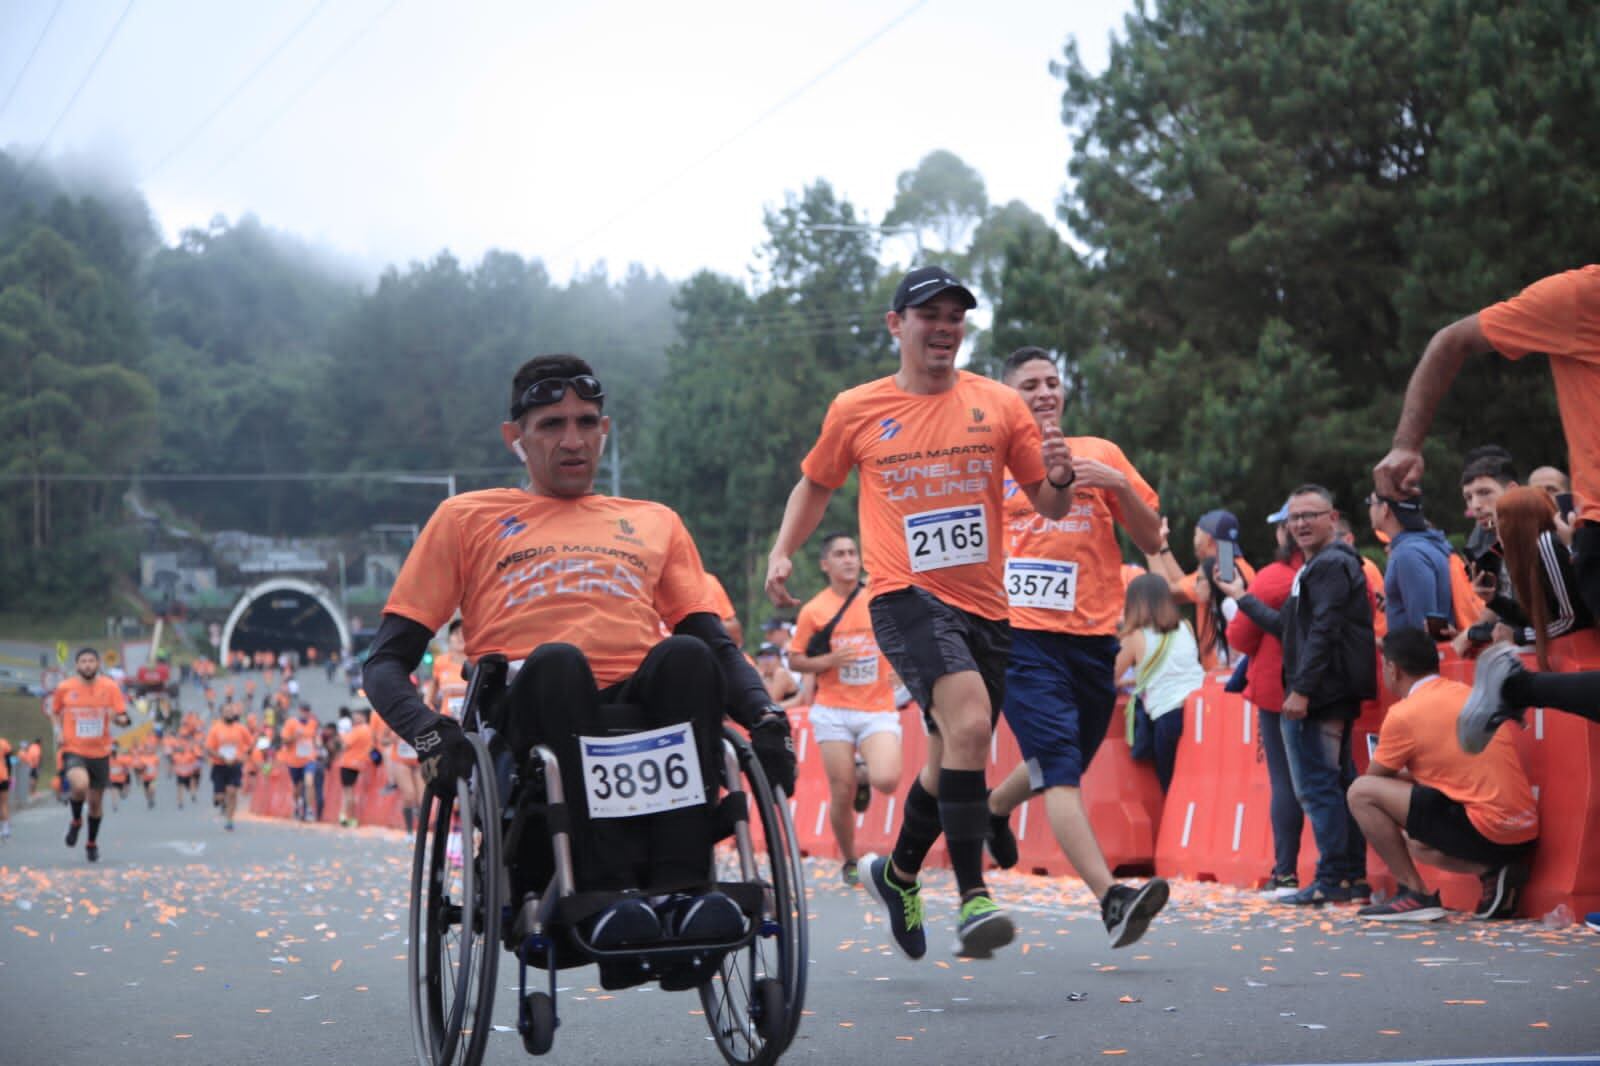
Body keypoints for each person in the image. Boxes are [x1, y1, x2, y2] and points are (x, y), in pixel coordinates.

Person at [364, 353, 795, 954]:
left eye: (587, 422)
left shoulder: (654, 521)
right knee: (559, 661)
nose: (573, 440)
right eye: (551, 425)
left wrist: (767, 718)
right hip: (532, 704)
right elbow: (384, 662)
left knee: (688, 657)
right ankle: (600, 893)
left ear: (605, 430)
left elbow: (716, 643)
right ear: (516, 438)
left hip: (642, 704)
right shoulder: (466, 518)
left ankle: (681, 888)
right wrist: (429, 732)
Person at [764, 267, 1075, 961]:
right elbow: (815, 486)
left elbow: (1049, 504)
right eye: (927, 314)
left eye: (955, 316)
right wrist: (784, 551)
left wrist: (1059, 476)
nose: (943, 327)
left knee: (950, 756)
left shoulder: (999, 405)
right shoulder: (857, 409)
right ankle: (972, 896)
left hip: (987, 610)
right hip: (905, 595)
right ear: (895, 324)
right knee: (967, 724)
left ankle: (897, 873)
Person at [981, 347, 1172, 949]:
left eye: (1052, 382)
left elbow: (1150, 539)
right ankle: (1112, 897)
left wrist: (1117, 485)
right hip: (1021, 636)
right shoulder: (990, 464)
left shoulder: (1101, 454)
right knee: (1061, 765)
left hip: (1092, 637)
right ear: (1009, 398)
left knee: (1067, 757)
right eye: (1029, 385)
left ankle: (993, 808)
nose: (1044, 393)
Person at [1374, 266, 1600, 746]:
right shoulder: (1583, 295)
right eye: (1470, 497)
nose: (1477, 506)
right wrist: (1406, 444)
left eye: (1483, 494)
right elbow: (1452, 341)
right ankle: (1517, 686)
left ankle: (1516, 687)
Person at [1220, 486, 1376, 905]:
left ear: (1333, 517)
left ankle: (1332, 879)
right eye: (1295, 517)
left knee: (1317, 787)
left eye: (1311, 515)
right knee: (1335, 784)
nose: (1302, 523)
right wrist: (1240, 596)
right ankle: (1348, 878)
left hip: (1321, 695)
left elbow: (1322, 631)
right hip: (1327, 693)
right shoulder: (1315, 568)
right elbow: (1287, 626)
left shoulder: (1327, 567)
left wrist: (1302, 689)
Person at [1347, 629, 1538, 920]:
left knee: (1360, 792)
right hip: (1524, 831)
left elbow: (1374, 781)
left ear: (1392, 668)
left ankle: (1414, 893)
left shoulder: (1403, 714)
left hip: (1484, 828)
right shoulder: (1468, 693)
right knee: (1418, 843)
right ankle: (1492, 872)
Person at [787, 531, 903, 887]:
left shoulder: (876, 599)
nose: (849, 559)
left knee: (887, 779)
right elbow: (796, 660)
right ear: (826, 565)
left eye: (853, 552)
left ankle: (865, 776)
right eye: (839, 554)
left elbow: (901, 635)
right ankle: (850, 858)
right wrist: (831, 660)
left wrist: (901, 667)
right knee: (841, 790)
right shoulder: (814, 610)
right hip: (833, 709)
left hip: (877, 706)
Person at [1226, 505, 1306, 897]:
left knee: (1286, 781)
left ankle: (1287, 871)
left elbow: (1239, 637)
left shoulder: (1273, 578)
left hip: (1280, 691)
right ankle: (1345, 873)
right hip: (1330, 688)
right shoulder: (1349, 567)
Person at [1117, 575, 1204, 794]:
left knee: (1173, 787)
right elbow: (1176, 670)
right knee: (1201, 782)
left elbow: (1107, 676)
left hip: (1168, 715)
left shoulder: (1134, 637)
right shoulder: (1186, 626)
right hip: (1200, 711)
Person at [49, 648, 131, 862]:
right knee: (80, 785)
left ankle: (91, 843)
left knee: (95, 804)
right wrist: (58, 731)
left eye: (91, 661)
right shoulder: (65, 687)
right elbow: (54, 711)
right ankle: (76, 820)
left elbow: (121, 714)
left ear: (98, 664)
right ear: (77, 665)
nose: (87, 665)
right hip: (73, 748)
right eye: (83, 661)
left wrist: (121, 720)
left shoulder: (110, 687)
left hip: (100, 751)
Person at [1146, 510, 1255, 670]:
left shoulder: (1223, 570)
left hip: (1224, 673)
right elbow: (1184, 585)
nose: (1194, 541)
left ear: (1208, 539)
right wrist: (1163, 547)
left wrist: (1150, 547)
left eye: (1196, 535)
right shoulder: (1232, 564)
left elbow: (1167, 593)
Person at [1366, 494, 1452, 636]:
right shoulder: (1423, 544)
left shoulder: (1408, 553)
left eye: (1371, 502)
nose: (1369, 508)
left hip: (1415, 656)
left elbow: (1423, 629)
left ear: (1385, 509)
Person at [206, 704, 252, 831]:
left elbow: (250, 743)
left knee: (232, 792)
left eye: (231, 711)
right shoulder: (215, 729)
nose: (229, 714)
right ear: (222, 714)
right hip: (219, 765)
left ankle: (230, 821)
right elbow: (209, 748)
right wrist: (222, 757)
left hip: (235, 764)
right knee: (220, 797)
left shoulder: (241, 728)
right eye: (226, 712)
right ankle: (221, 802)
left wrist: (243, 755)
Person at [279, 703, 320, 821]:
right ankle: (297, 806)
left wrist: (318, 744)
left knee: (309, 782)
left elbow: (315, 738)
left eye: (307, 711)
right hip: (294, 760)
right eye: (303, 711)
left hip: (309, 758)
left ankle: (309, 810)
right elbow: (285, 741)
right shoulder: (291, 723)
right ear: (299, 711)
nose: (305, 713)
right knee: (297, 787)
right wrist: (294, 736)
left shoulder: (313, 723)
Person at [337, 707, 374, 828]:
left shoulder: (358, 730)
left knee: (348, 792)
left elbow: (346, 744)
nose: (354, 717)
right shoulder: (369, 730)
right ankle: (350, 817)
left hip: (348, 762)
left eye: (356, 714)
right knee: (350, 791)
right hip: (359, 763)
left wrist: (341, 734)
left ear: (362, 717)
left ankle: (346, 816)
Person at [0, 735, 12, 838]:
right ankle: (6, 828)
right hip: (3, 776)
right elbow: (8, 762)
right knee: (3, 803)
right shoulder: (3, 743)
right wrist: (9, 775)